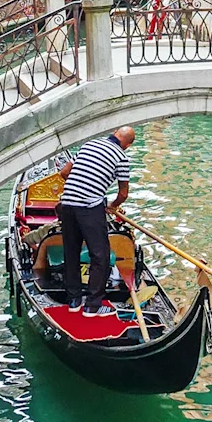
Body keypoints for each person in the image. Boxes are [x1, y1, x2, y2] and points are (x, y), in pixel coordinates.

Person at [57, 126, 136, 317]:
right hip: (89, 208)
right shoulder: (121, 157)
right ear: (127, 144)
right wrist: (112, 206)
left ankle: (74, 300)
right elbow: (123, 193)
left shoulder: (89, 144)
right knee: (100, 255)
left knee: (71, 252)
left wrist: (80, 188)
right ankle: (93, 306)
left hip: (67, 204)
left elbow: (64, 172)